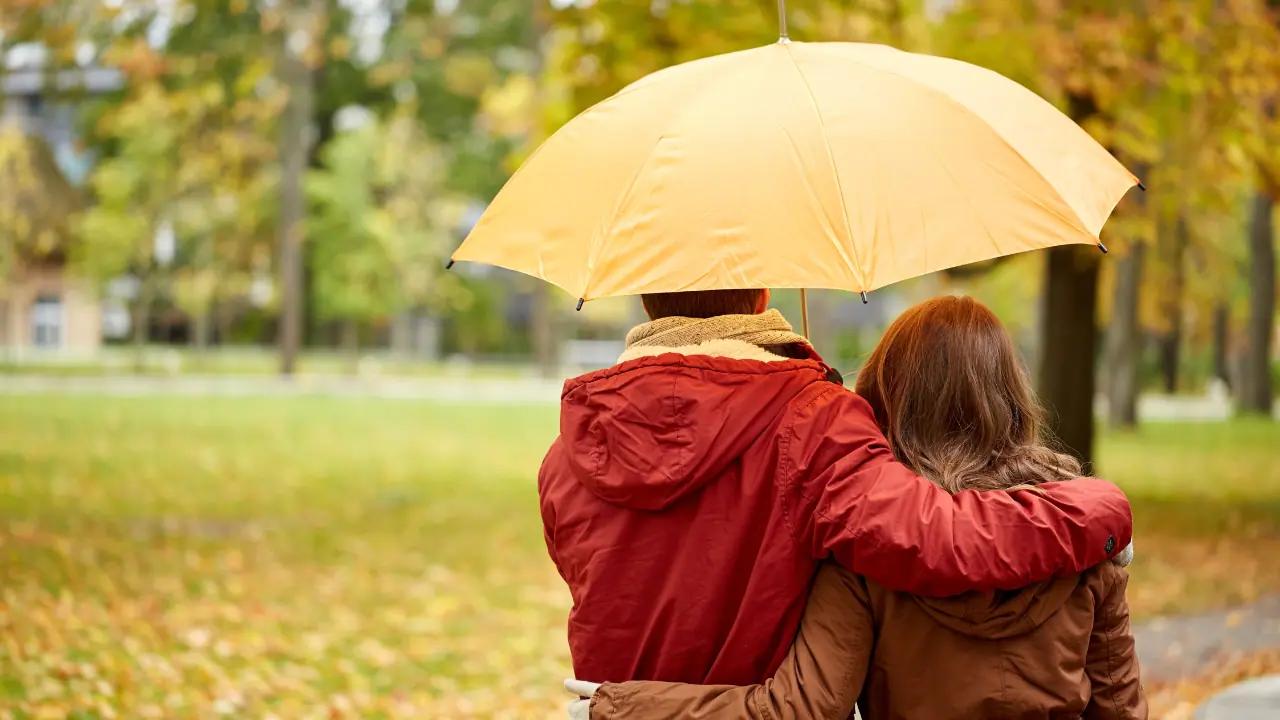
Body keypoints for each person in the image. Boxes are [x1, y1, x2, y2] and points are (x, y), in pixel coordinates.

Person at [573, 296, 1147, 719]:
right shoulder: (1082, 541)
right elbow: (1120, 706)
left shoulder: (866, 545)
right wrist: (1101, 516)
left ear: (888, 389)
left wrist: (620, 706)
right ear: (1011, 392)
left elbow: (803, 707)